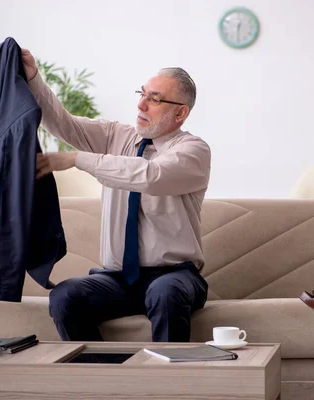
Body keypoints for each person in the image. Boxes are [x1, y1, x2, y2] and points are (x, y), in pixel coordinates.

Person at [21, 49, 211, 342]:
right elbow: (63, 123)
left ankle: (169, 385)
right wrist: (33, 78)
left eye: (155, 99)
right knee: (65, 296)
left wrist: (75, 160)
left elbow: (150, 175)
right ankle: (104, 376)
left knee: (165, 292)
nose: (141, 104)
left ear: (180, 113)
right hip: (117, 279)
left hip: (174, 276)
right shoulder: (115, 137)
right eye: (142, 93)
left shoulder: (193, 151)